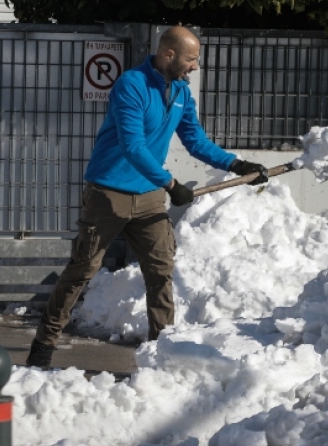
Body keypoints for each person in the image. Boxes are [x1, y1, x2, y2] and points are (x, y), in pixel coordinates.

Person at [26, 26, 269, 368]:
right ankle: (44, 343)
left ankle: (162, 350)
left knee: (160, 271)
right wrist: (171, 185)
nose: (195, 66)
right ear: (169, 54)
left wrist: (237, 164)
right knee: (82, 269)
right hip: (108, 193)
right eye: (191, 59)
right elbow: (133, 146)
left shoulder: (182, 93)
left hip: (150, 195)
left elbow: (195, 141)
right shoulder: (131, 85)